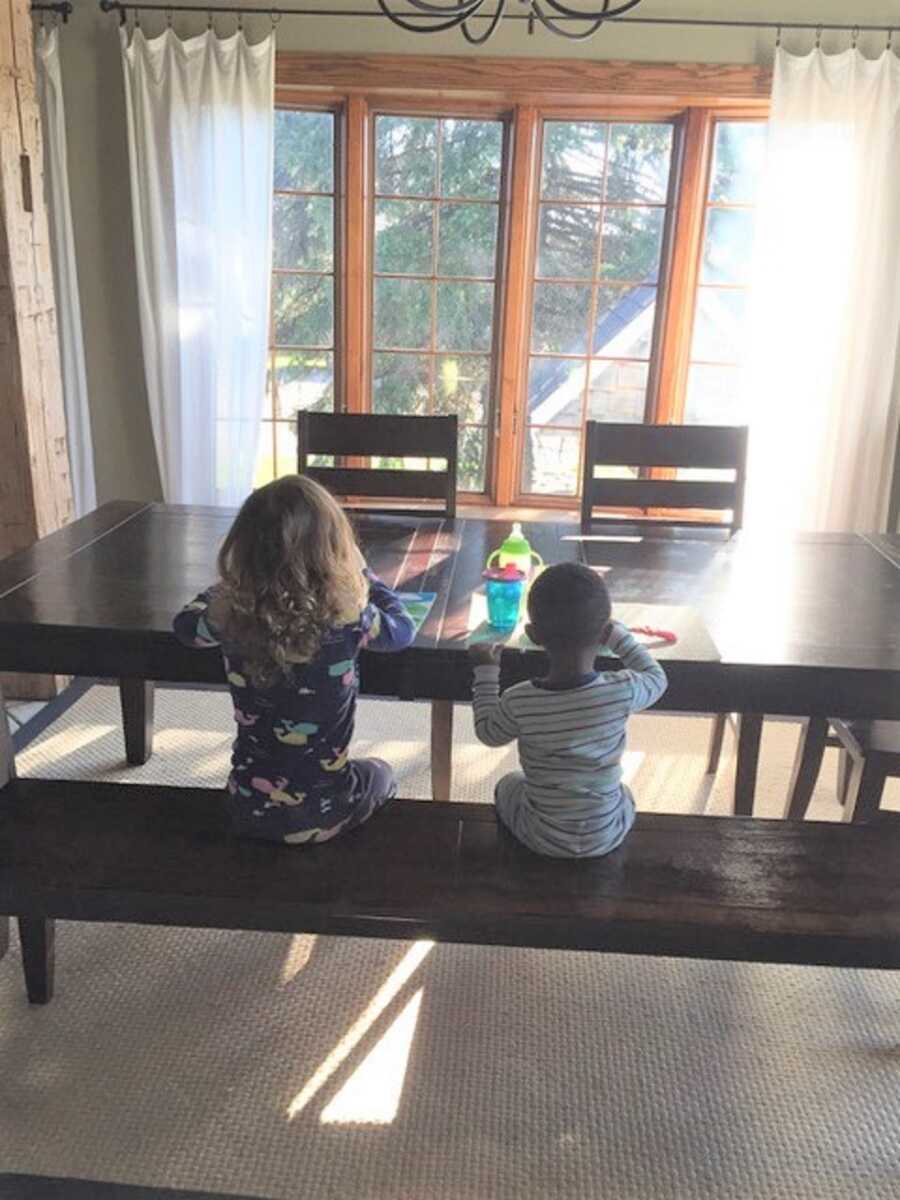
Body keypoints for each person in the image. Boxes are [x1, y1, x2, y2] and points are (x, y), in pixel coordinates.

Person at [173, 475, 416, 845]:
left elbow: (185, 626)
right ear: (334, 547)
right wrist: (365, 575)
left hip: (246, 804)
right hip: (329, 808)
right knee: (381, 772)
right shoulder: (348, 615)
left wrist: (231, 588)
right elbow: (402, 630)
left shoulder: (229, 615)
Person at [469, 561, 667, 858]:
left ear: (533, 634)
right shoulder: (621, 690)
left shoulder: (519, 700)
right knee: (623, 793)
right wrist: (620, 637)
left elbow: (488, 732)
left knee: (507, 785)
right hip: (607, 834)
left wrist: (486, 672)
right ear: (602, 633)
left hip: (540, 837)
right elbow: (657, 678)